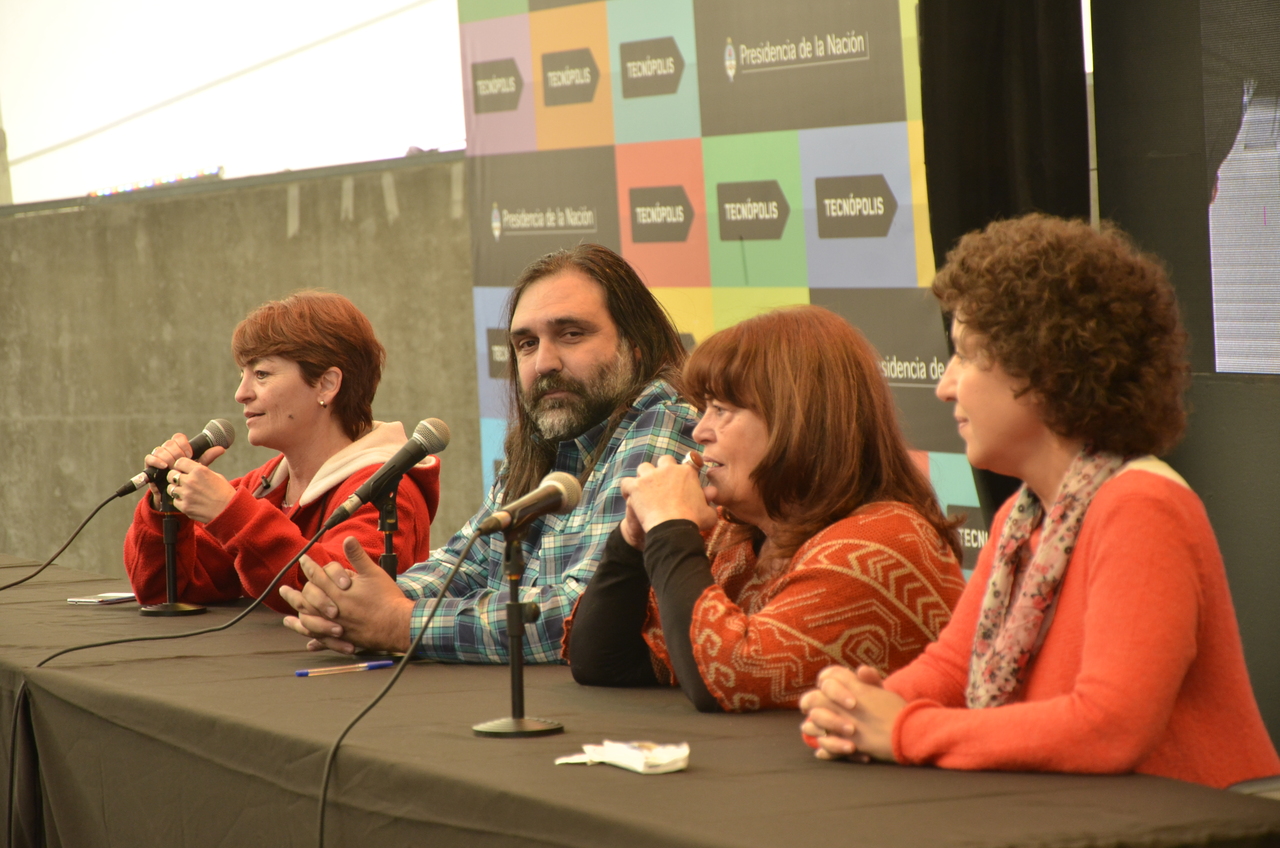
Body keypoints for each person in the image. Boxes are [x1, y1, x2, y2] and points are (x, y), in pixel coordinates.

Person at [799, 214, 1280, 789]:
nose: (945, 385)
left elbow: (1109, 728)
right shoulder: (1022, 515)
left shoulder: (1142, 507)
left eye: (966, 355)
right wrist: (852, 712)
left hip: (1199, 821)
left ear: (1045, 368)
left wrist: (901, 729)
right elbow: (951, 670)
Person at [279, 244, 700, 662]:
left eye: (571, 334)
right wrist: (353, 602)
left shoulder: (661, 423)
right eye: (527, 344)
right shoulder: (547, 438)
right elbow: (470, 563)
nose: (544, 363)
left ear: (635, 344)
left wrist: (402, 622)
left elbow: (584, 614)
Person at [565, 306, 967, 711]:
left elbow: (727, 679)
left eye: (721, 410)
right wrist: (632, 539)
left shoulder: (883, 543)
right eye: (705, 409)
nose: (700, 430)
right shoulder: (735, 537)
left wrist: (670, 526)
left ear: (797, 421)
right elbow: (605, 660)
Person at [124, 291, 440, 614]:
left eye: (261, 374)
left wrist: (232, 514)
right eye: (242, 375)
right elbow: (163, 590)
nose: (240, 394)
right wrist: (167, 505)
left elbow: (343, 601)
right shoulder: (264, 486)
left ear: (327, 384)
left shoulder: (388, 492)